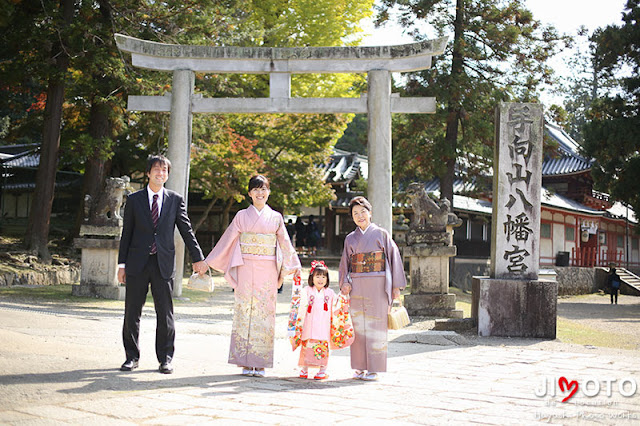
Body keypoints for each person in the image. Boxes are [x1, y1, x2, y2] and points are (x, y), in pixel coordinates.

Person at [118, 155, 208, 374]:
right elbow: (126, 234)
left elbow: (186, 230)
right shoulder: (134, 199)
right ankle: (131, 357)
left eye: (164, 171)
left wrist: (198, 258)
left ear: (167, 175)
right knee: (132, 312)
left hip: (163, 263)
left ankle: (165, 359)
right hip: (137, 263)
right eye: (156, 169)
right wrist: (121, 265)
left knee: (165, 313)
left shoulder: (175, 200)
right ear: (148, 173)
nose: (160, 174)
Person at [204, 175, 301, 377]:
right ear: (249, 193)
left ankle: (261, 361)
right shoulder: (241, 216)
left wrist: (294, 264)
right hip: (245, 267)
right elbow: (227, 240)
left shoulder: (275, 217)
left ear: (268, 192)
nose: (260, 193)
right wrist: (209, 261)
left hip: (268, 269)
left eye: (263, 189)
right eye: (255, 189)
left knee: (265, 313)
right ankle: (245, 362)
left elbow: (284, 242)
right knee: (244, 312)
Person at [339, 196, 406, 381]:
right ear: (352, 217)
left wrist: (396, 288)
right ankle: (360, 367)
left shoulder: (381, 234)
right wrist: (344, 282)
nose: (360, 216)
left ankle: (374, 368)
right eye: (355, 213)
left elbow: (393, 258)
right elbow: (345, 262)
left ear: (370, 213)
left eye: (362, 212)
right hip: (357, 284)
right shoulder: (350, 239)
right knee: (358, 325)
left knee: (376, 325)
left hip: (378, 282)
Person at [293, 260, 336, 380]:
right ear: (312, 278)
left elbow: (337, 307)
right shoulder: (307, 290)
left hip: (324, 327)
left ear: (327, 279)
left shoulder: (330, 293)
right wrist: (297, 281)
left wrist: (344, 297)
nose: (320, 279)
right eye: (317, 276)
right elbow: (298, 301)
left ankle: (322, 370)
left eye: (323, 276)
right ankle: (304, 369)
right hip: (309, 326)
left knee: (322, 347)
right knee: (307, 346)